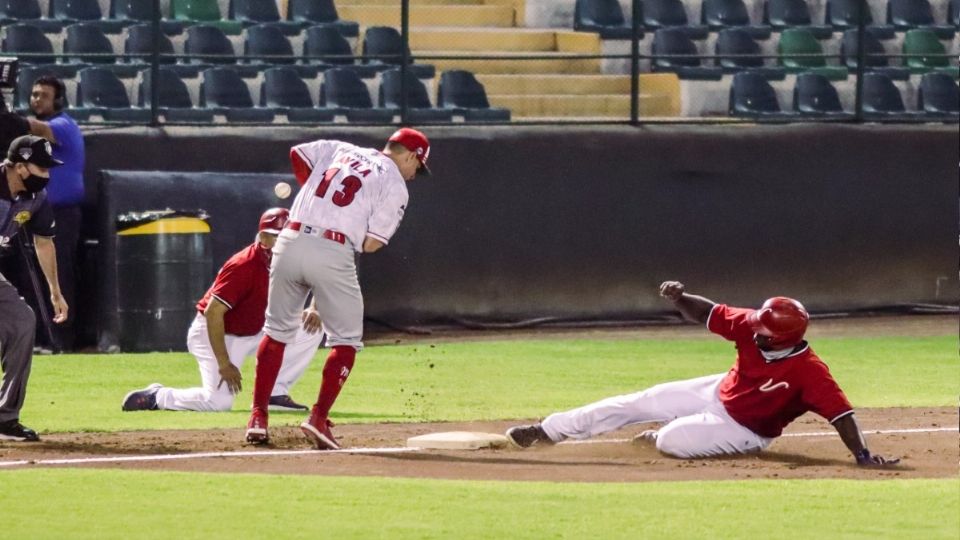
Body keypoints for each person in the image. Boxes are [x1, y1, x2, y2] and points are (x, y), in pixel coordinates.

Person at [505, 281, 900, 467]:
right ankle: (549, 430)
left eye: (765, 334)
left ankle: (666, 434)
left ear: (785, 339)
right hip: (719, 390)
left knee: (672, 442)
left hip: (747, 429)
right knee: (641, 400)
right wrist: (681, 298)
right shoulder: (755, 322)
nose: (756, 333)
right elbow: (709, 313)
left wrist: (863, 456)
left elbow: (842, 415)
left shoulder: (810, 373)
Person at [245, 127, 431, 449]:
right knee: (347, 341)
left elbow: (298, 154)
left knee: (275, 332)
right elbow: (372, 244)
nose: (415, 174)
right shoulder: (395, 184)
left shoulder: (339, 148)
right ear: (411, 155)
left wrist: (317, 204)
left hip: (288, 240)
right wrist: (343, 224)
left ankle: (258, 417)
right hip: (333, 250)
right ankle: (318, 418)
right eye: (417, 166)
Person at [121, 208, 324, 413]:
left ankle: (274, 393)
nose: (287, 243)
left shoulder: (295, 257)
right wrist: (224, 363)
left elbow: (319, 277)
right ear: (263, 237)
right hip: (216, 334)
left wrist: (314, 308)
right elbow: (213, 312)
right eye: (278, 237)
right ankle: (159, 396)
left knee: (311, 327)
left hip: (256, 329)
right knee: (218, 403)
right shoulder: (244, 265)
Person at [0, 135, 67, 441]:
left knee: (22, 321)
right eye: (42, 167)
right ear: (21, 167)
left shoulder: (35, 198)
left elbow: (43, 241)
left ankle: (5, 417)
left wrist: (55, 291)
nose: (47, 174)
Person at [24, 75, 85, 351]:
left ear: (58, 100)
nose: (37, 99)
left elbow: (35, 127)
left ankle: (62, 341)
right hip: (32, 213)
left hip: (62, 214)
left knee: (59, 275)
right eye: (34, 94)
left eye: (44, 95)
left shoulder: (65, 126)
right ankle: (38, 338)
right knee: (32, 276)